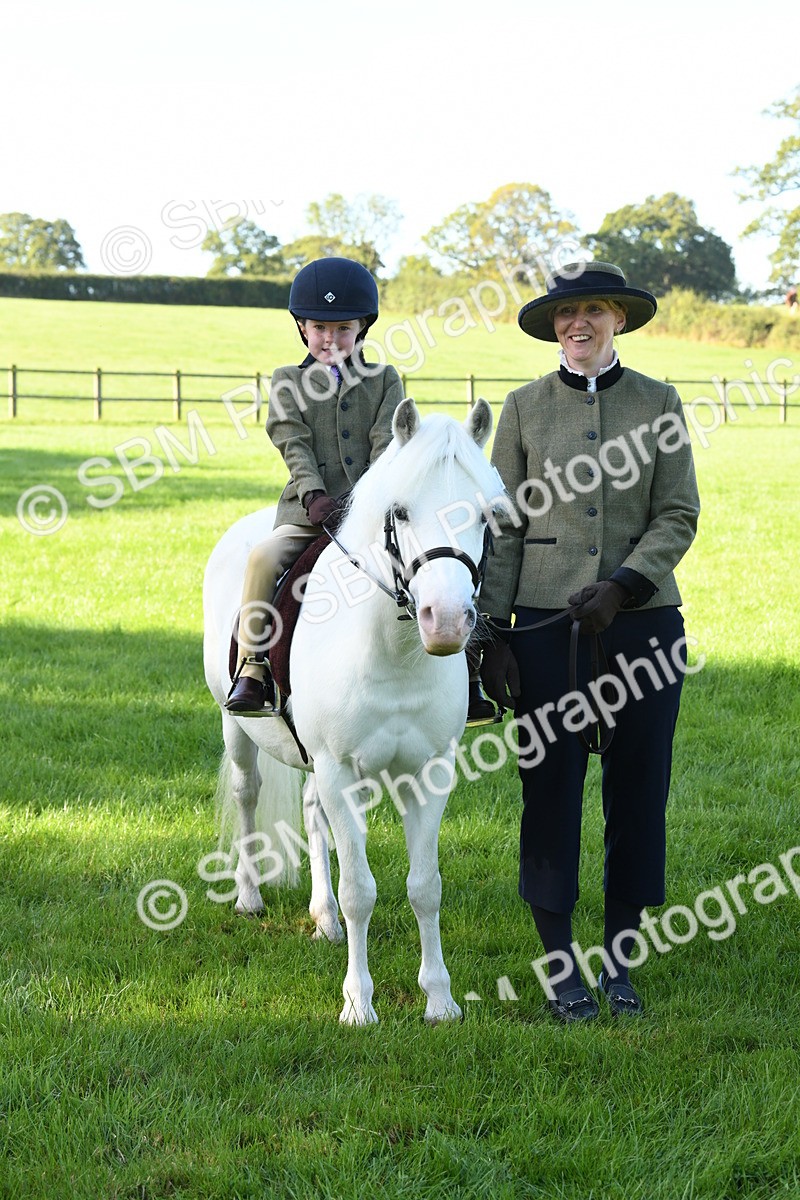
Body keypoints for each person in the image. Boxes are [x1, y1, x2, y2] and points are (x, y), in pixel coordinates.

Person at [479, 261, 700, 1022]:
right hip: (546, 630)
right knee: (551, 790)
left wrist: (626, 585)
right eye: (568, 313)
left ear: (618, 321)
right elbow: (503, 525)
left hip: (641, 627)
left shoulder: (660, 403)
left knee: (639, 790)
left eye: (595, 311)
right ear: (554, 326)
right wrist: (493, 631)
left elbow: (678, 514)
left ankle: (622, 963)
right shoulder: (522, 408)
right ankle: (559, 964)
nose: (580, 324)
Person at [225, 256, 404, 715]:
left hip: (370, 515)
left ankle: (467, 672)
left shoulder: (385, 380)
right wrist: (313, 495)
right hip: (310, 513)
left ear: (363, 327)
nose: (331, 339)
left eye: (343, 328)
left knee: (433, 564)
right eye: (320, 328)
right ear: (302, 328)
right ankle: (254, 667)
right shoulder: (288, 380)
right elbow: (291, 440)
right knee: (263, 558)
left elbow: (387, 445)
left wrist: (360, 502)